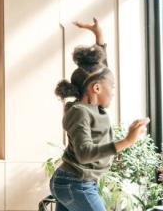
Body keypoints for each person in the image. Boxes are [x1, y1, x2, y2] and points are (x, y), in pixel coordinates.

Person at [50, 17, 150, 211]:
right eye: (111, 87)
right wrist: (127, 141)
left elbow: (102, 67)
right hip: (75, 183)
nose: (113, 91)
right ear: (96, 88)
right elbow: (85, 153)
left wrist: (98, 34)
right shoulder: (79, 112)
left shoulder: (94, 108)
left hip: (77, 182)